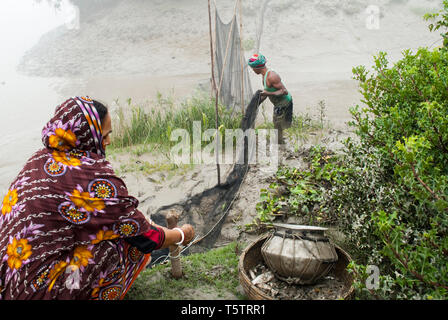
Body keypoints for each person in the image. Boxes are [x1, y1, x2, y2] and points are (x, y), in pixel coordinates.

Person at [0, 96, 195, 300]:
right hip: (38, 292)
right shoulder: (92, 178)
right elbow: (144, 236)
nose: (109, 141)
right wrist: (181, 234)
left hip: (11, 285)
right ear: (88, 136)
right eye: (105, 135)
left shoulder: (37, 160)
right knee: (123, 245)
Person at [248, 53, 293, 145]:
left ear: (258, 67)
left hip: (284, 103)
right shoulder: (264, 75)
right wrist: (256, 104)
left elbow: (284, 91)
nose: (252, 70)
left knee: (278, 124)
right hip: (277, 103)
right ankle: (280, 140)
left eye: (253, 68)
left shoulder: (272, 76)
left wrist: (268, 93)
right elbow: (266, 92)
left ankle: (280, 143)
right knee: (277, 122)